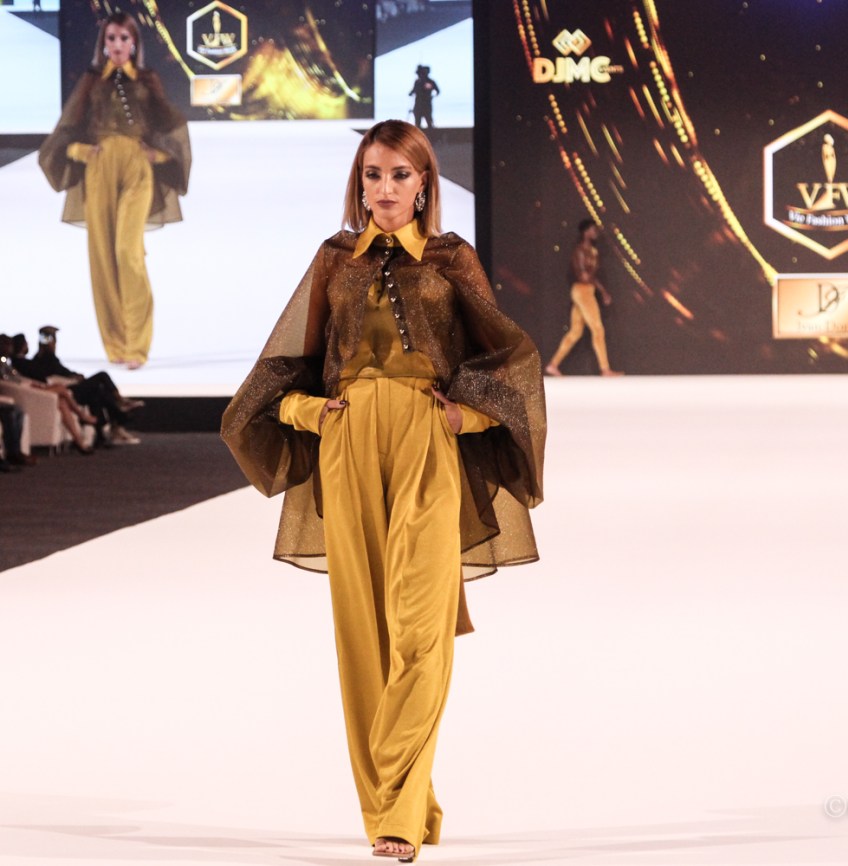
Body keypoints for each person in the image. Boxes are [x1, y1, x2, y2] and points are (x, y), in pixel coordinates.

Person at [222, 120, 545, 863]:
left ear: (424, 183)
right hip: (348, 444)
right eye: (373, 174)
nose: (386, 188)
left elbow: (508, 358)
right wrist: (308, 414)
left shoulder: (451, 258)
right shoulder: (334, 259)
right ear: (359, 182)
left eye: (401, 174)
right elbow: (288, 368)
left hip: (426, 441)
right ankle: (396, 806)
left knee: (420, 626)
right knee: (362, 633)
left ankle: (397, 806)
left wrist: (466, 417)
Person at [39, 12, 191, 370]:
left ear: (134, 42)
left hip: (137, 168)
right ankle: (116, 345)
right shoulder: (92, 81)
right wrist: (79, 151)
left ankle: (138, 345)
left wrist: (160, 155)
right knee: (103, 258)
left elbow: (171, 124)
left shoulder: (147, 79)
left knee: (127, 252)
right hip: (99, 169)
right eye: (111, 38)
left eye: (124, 38)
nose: (118, 45)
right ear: (103, 43)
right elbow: (67, 128)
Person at [26, 325, 142, 445]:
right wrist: (72, 377)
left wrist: (74, 375)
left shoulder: (47, 358)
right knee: (102, 376)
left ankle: (106, 430)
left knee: (98, 392)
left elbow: (62, 371)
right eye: (52, 339)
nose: (55, 343)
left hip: (68, 385)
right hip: (67, 389)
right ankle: (119, 406)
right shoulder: (45, 358)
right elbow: (57, 372)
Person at [545, 218, 623, 376]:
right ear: (586, 232)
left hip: (587, 290)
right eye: (593, 229)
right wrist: (599, 288)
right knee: (597, 328)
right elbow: (583, 276)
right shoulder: (579, 251)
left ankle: (553, 365)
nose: (596, 232)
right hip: (582, 291)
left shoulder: (593, 251)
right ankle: (605, 369)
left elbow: (591, 276)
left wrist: (602, 291)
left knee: (575, 331)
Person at [409, 65, 439, 130]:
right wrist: (411, 93)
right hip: (418, 104)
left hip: (426, 104)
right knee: (418, 122)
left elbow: (437, 91)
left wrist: (431, 96)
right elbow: (414, 90)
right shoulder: (417, 82)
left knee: (428, 120)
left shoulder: (429, 82)